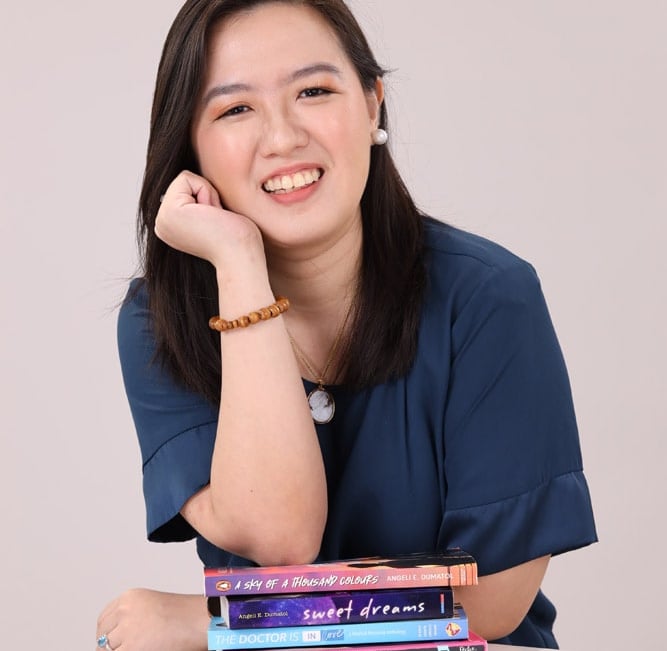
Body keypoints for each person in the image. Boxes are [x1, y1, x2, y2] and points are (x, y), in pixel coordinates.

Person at [96, 1, 597, 649]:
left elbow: (489, 601)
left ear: (371, 105)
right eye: (235, 109)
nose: (282, 138)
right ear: (191, 145)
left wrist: (213, 620)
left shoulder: (489, 297)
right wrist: (239, 262)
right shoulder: (160, 319)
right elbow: (280, 536)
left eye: (312, 91)